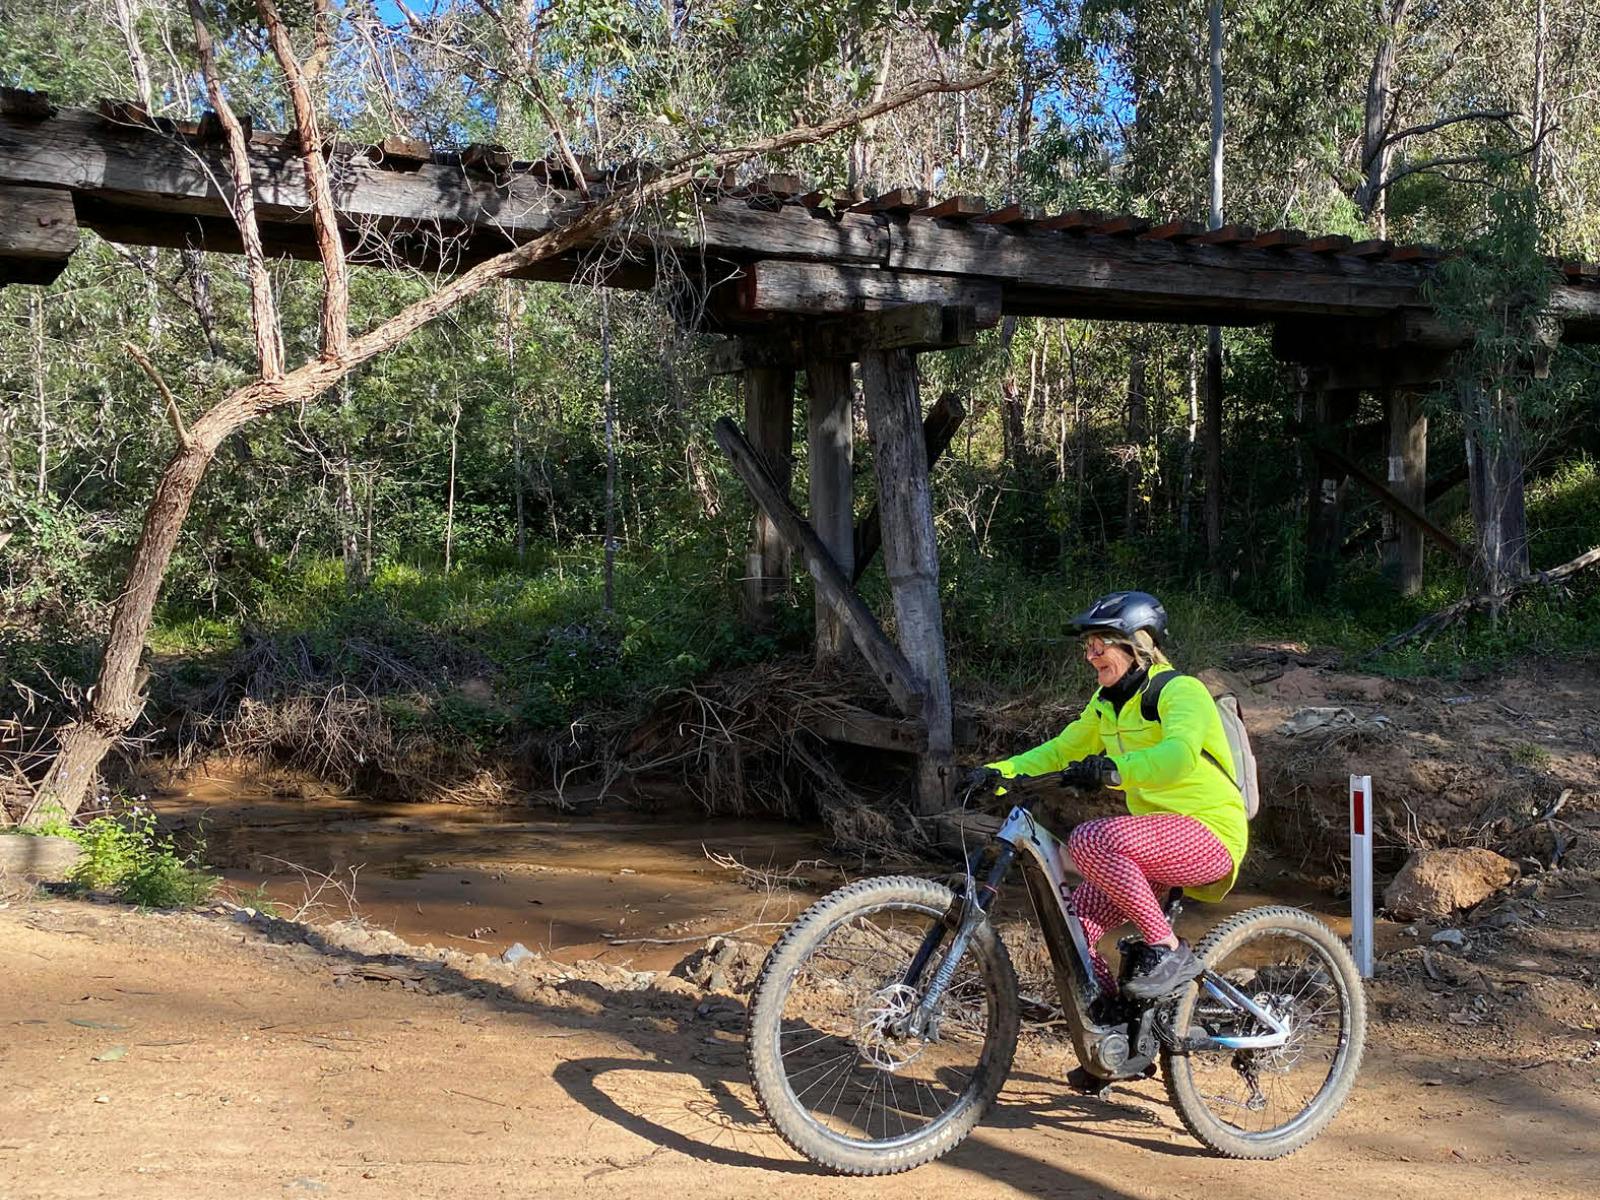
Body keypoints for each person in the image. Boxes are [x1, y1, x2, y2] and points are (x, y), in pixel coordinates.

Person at [964, 590, 1247, 1001]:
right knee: (1073, 932)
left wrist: (1113, 770)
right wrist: (999, 773)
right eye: (1087, 646)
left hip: (1209, 833)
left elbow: (1178, 756)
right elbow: (1061, 751)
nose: (1090, 655)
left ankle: (1167, 950)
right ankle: (1109, 1026)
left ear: (1136, 645)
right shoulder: (1106, 704)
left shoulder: (1180, 691)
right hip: (1151, 846)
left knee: (1091, 839)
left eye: (1099, 645)